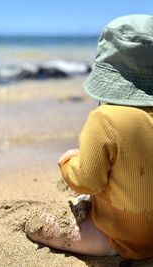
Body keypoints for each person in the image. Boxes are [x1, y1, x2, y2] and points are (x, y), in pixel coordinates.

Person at [27, 14, 153, 260]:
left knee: (35, 224)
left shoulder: (104, 119)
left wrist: (68, 162)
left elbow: (87, 181)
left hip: (121, 238)